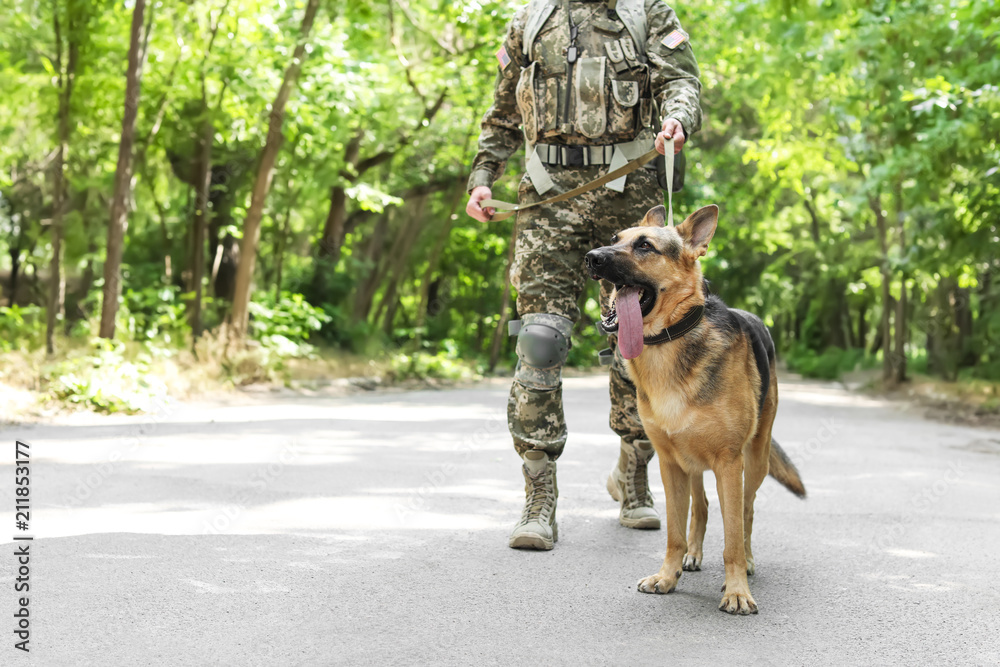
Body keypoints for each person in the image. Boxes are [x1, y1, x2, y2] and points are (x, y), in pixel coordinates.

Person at [466, 0, 703, 550]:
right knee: (542, 340)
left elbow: (682, 80)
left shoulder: (647, 13)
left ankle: (635, 471)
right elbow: (503, 112)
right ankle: (539, 495)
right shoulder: (529, 19)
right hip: (547, 195)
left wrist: (677, 118)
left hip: (630, 197)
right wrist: (484, 175)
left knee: (634, 340)